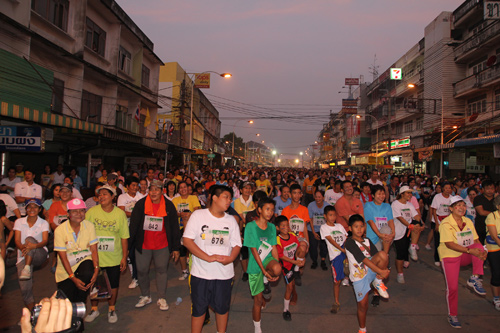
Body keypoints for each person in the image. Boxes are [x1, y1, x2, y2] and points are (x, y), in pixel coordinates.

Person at [183, 185, 241, 333]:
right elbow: (187, 240)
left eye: (230, 198)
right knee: (199, 309)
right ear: (214, 198)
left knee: (222, 308)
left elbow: (237, 245)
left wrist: (231, 259)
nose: (229, 200)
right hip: (201, 274)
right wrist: (207, 258)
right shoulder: (198, 216)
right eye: (226, 197)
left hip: (224, 274)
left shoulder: (231, 221)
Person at [129, 179, 181, 311]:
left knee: (162, 270)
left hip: (162, 245)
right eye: (151, 189)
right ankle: (145, 295)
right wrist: (128, 247)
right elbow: (133, 226)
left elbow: (174, 228)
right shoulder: (141, 205)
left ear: (162, 191)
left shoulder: (169, 206)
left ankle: (161, 297)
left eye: (156, 190)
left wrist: (175, 248)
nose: (153, 192)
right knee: (141, 270)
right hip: (143, 245)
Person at [438, 196, 487, 328]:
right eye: (458, 205)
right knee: (452, 288)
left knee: (479, 247)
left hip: (465, 253)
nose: (461, 208)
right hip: (450, 256)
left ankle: (474, 278)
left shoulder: (468, 221)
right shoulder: (446, 223)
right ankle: (452, 315)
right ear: (451, 209)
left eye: (463, 205)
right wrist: (471, 252)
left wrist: (482, 251)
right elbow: (449, 244)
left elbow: (476, 240)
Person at [85, 185, 129, 324]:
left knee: (113, 284)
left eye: (105, 194)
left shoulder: (119, 214)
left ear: (112, 197)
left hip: (114, 257)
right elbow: (85, 233)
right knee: (94, 283)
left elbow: (124, 237)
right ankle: (94, 308)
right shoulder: (91, 212)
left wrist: (124, 257)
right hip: (95, 256)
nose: (102, 196)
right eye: (100, 194)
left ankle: (111, 308)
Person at [345, 214, 389, 333]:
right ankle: (362, 329)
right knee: (363, 305)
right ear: (350, 228)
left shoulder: (367, 240)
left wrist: (385, 270)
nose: (359, 229)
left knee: (383, 254)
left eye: (361, 226)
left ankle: (378, 281)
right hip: (359, 276)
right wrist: (381, 271)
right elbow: (362, 259)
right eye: (355, 226)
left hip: (370, 271)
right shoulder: (349, 242)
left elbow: (377, 256)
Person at [244, 197, 281, 333]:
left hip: (267, 260)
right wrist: (263, 272)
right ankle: (257, 327)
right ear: (259, 210)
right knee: (258, 301)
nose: (270, 212)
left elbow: (274, 248)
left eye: (272, 210)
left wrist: (276, 270)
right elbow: (254, 251)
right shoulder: (250, 226)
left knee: (277, 268)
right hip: (255, 264)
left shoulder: (271, 227)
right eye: (267, 209)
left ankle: (266, 280)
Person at [54, 198, 99, 304]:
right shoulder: (60, 230)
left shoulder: (89, 226)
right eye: (75, 211)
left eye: (82, 210)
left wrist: (96, 269)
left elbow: (93, 250)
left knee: (80, 300)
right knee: (67, 303)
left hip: (84, 265)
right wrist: (72, 277)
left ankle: (80, 308)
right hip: (66, 271)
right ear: (68, 214)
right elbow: (63, 257)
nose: (79, 214)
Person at [14, 199, 49, 311]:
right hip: (23, 255)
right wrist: (23, 249)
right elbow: (17, 240)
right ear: (26, 209)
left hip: (39, 254)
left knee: (29, 239)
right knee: (24, 289)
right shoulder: (19, 222)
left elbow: (44, 241)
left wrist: (33, 246)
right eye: (29, 207)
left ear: (39, 210)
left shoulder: (43, 223)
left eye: (35, 207)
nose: (32, 209)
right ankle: (33, 313)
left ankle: (27, 267)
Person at [391, 186, 422, 283]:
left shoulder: (409, 204)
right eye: (408, 193)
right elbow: (399, 218)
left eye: (410, 193)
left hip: (408, 231)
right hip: (399, 231)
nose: (410, 195)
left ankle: (412, 247)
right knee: (400, 254)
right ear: (402, 194)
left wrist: (419, 222)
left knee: (417, 224)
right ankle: (400, 273)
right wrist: (410, 226)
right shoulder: (395, 204)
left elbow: (416, 215)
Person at [275, 215, 303, 321]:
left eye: (287, 225)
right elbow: (281, 256)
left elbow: (298, 248)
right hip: (286, 266)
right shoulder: (278, 240)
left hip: (294, 263)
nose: (286, 227)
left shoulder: (292, 235)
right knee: (289, 287)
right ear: (278, 228)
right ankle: (286, 310)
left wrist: (301, 259)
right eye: (283, 226)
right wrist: (294, 261)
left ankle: (296, 270)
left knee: (303, 248)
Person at [320, 205, 348, 314]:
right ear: (325, 216)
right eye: (330, 215)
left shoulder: (339, 226)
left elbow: (345, 238)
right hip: (336, 256)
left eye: (334, 215)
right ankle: (336, 302)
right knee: (337, 281)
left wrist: (346, 251)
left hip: (345, 254)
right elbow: (331, 240)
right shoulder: (324, 228)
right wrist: (342, 249)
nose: (333, 217)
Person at [172, 181, 201, 280]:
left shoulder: (193, 198)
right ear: (178, 190)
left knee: (194, 248)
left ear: (188, 188)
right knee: (181, 249)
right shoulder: (175, 200)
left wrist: (189, 214)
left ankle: (195, 269)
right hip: (179, 227)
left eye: (185, 187)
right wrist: (181, 214)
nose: (183, 189)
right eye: (180, 187)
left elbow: (197, 210)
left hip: (192, 227)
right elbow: (173, 213)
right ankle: (184, 271)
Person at [117, 176, 143, 289]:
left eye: (137, 185)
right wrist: (136, 215)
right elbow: (121, 212)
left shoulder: (141, 197)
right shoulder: (122, 197)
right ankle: (135, 276)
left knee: (137, 253)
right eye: (133, 185)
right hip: (126, 228)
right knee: (129, 253)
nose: (135, 187)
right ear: (127, 187)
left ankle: (137, 276)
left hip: (139, 229)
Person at [281, 184, 310, 286]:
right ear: (290, 195)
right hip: (289, 240)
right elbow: (283, 228)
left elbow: (305, 228)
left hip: (301, 238)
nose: (297, 196)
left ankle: (297, 270)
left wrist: (308, 243)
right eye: (294, 193)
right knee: (289, 273)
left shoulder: (304, 210)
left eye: (299, 193)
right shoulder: (285, 211)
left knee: (302, 250)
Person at [431, 182, 453, 266]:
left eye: (449, 188)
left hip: (448, 221)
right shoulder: (437, 197)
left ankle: (446, 257)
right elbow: (434, 210)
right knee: (438, 241)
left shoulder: (452, 198)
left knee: (447, 240)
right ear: (443, 188)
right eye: (446, 188)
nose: (448, 190)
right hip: (438, 219)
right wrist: (437, 224)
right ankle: (437, 258)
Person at [307, 190, 329, 270]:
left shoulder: (327, 205)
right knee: (313, 246)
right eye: (316, 197)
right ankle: (314, 261)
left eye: (319, 197)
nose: (317, 198)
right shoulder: (311, 205)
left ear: (323, 197)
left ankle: (323, 260)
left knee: (324, 246)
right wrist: (313, 232)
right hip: (312, 228)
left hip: (324, 229)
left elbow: (329, 219)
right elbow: (310, 219)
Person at [485, 194, 500, 311]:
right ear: (498, 206)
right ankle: (496, 298)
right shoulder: (492, 216)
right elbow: (494, 237)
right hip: (494, 248)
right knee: (496, 273)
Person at [474, 180, 497, 246]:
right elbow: (481, 212)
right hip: (481, 227)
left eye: (492, 188)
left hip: (495, 227)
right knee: (481, 246)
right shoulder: (478, 198)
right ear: (483, 189)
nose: (490, 191)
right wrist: (496, 214)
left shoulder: (497, 199)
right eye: (487, 189)